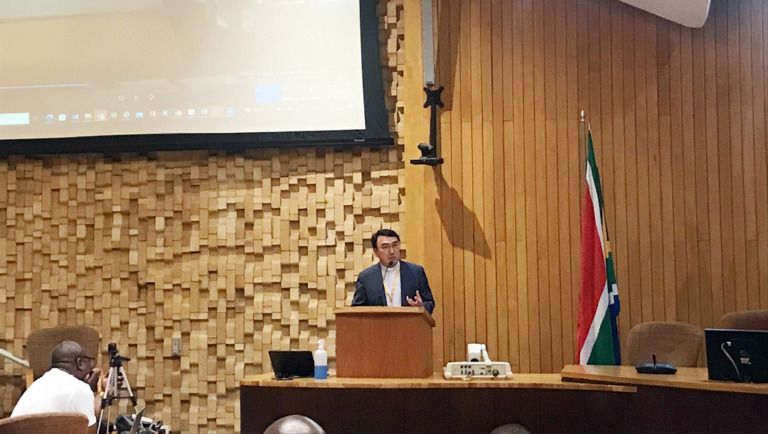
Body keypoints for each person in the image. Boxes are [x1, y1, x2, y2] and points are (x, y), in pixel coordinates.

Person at [12, 340, 102, 430]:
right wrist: (94, 392)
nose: (92, 367)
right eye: (89, 361)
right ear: (80, 363)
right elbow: (90, 431)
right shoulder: (80, 389)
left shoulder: (39, 384)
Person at [352, 228, 435, 314]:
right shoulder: (366, 278)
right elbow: (356, 310)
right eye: (385, 247)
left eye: (395, 245)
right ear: (375, 251)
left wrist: (421, 307)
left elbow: (429, 303)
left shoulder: (416, 272)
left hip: (408, 322)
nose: (392, 251)